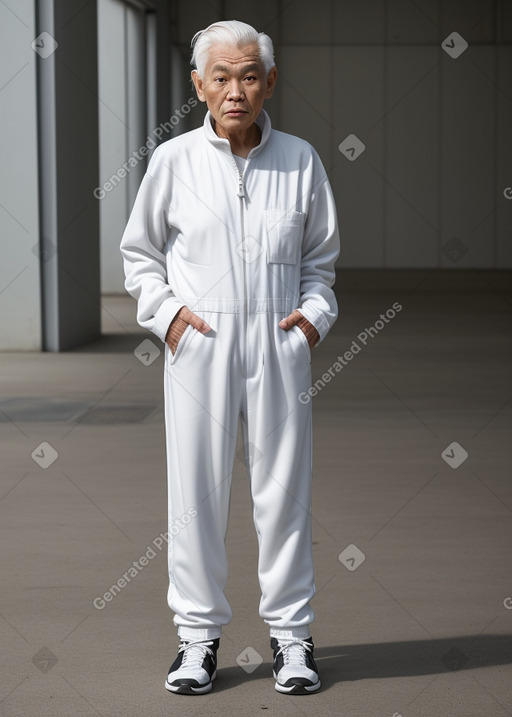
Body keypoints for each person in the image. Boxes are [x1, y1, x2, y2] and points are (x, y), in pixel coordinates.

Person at [120, 19, 339, 696]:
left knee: (284, 494)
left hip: (277, 349)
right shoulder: (173, 161)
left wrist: (308, 323)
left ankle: (292, 639)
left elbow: (321, 263)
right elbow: (140, 256)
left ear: (269, 82)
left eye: (249, 75)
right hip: (200, 351)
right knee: (195, 497)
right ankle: (196, 641)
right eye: (221, 76)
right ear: (199, 86)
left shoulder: (300, 160)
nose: (235, 89)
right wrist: (169, 319)